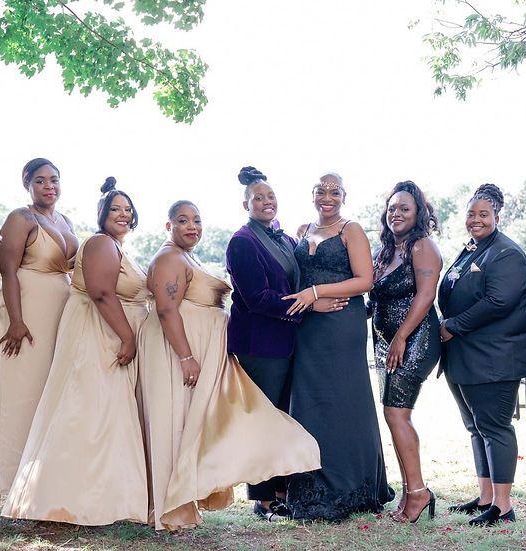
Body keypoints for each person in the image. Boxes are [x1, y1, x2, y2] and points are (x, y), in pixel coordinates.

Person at [139, 200, 320, 531]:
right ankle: (171, 507)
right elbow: (166, 310)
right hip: (179, 353)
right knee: (176, 423)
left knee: (195, 424)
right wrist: (185, 356)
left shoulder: (186, 256)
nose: (192, 226)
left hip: (205, 354)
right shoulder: (168, 257)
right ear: (169, 226)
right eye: (183, 220)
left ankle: (190, 496)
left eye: (197, 219)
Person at [2, 177, 149, 525]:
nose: (123, 214)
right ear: (101, 213)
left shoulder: (116, 246)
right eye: (115, 209)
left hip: (105, 334)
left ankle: (104, 496)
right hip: (96, 337)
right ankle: (63, 499)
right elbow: (101, 293)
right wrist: (128, 338)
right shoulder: (100, 243)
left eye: (128, 209)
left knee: (103, 415)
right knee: (84, 411)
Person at [225, 167, 344, 522]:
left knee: (282, 418)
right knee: (262, 421)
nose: (266, 202)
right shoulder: (242, 242)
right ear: (245, 203)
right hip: (258, 345)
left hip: (287, 342)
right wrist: (309, 304)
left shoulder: (282, 237)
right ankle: (262, 501)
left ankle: (280, 492)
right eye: (258, 198)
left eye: (270, 196)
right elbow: (258, 298)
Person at [282, 173, 395, 521]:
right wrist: (306, 301)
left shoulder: (351, 230)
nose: (326, 197)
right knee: (310, 400)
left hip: (342, 323)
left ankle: (351, 485)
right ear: (312, 194)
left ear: (344, 196)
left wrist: (317, 293)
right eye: (320, 191)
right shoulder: (301, 231)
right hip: (308, 325)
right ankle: (311, 481)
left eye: (334, 191)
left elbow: (365, 280)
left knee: (344, 397)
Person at [438, 184, 526, 527]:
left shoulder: (505, 253)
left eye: (483, 214)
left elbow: (499, 302)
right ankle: (485, 496)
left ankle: (504, 507)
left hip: (494, 357)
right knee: (476, 427)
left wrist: (453, 325)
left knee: (494, 427)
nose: (475, 220)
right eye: (471, 214)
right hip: (463, 356)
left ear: (497, 216)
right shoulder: (471, 250)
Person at [0, 158, 78, 494]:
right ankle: (12, 482)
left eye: (54, 179)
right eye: (40, 181)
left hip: (60, 312)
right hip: (25, 311)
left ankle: (47, 479)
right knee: (20, 393)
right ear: (27, 183)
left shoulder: (65, 220)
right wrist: (16, 321)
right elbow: (7, 271)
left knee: (49, 391)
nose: (49, 186)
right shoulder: (20, 218)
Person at [370, 181, 442, 523]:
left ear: (418, 214)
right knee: (393, 414)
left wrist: (400, 337)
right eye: (392, 208)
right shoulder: (385, 252)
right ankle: (411, 491)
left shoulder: (422, 246)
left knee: (396, 414)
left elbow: (425, 295)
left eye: (405, 208)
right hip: (388, 342)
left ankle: (418, 493)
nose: (396, 213)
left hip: (416, 339)